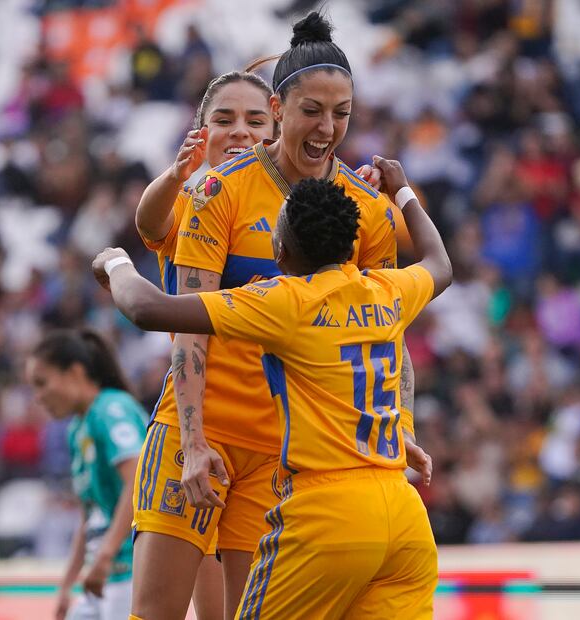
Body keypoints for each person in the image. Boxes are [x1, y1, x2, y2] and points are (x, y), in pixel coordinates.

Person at [129, 12, 425, 620]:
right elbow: (188, 327)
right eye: (312, 110)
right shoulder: (217, 191)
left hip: (281, 452)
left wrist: (402, 427)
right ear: (279, 109)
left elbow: (387, 338)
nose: (327, 128)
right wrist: (193, 441)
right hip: (198, 431)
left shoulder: (366, 209)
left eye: (341, 113)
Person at [93, 156, 449, 619]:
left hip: (327, 508)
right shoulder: (388, 288)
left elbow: (147, 308)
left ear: (281, 250)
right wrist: (402, 192)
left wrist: (116, 263)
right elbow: (440, 263)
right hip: (403, 515)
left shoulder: (285, 301)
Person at [133, 69, 275, 620]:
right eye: (224, 119)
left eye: (255, 120)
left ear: (277, 129)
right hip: (194, 429)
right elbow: (149, 223)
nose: (240, 131)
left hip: (271, 443)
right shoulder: (196, 197)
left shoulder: (303, 212)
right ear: (201, 132)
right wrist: (177, 174)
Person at [26, 330, 148, 620]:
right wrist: (67, 585)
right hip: (102, 577)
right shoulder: (77, 429)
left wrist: (106, 554)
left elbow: (138, 480)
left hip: (132, 572)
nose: (38, 397)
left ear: (75, 372)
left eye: (42, 383)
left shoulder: (111, 409)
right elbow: (89, 512)